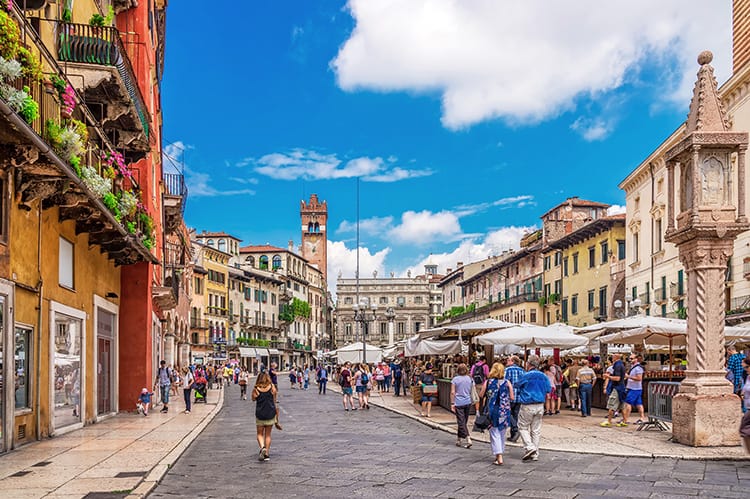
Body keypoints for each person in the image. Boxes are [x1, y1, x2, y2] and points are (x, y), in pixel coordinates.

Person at [514, 355, 551, 462]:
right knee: (536, 430)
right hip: (540, 405)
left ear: (529, 364)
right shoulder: (543, 376)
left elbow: (517, 385)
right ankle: (535, 454)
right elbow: (548, 389)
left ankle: (530, 447)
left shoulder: (526, 375)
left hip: (528, 404)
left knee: (523, 427)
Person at [486, 362, 514, 466]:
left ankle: (499, 456)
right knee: (502, 432)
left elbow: (481, 394)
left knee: (494, 433)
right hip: (504, 410)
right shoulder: (507, 382)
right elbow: (512, 397)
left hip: (493, 410)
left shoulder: (488, 382)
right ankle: (500, 453)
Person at [252, 372, 278, 462]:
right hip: (270, 412)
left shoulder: (256, 388)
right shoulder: (272, 387)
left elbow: (253, 398)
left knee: (259, 434)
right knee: (268, 434)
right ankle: (266, 454)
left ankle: (262, 447)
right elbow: (275, 399)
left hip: (260, 413)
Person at [450, 363, 474, 449]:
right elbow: (472, 390)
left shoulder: (455, 379)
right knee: (464, 422)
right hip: (468, 402)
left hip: (458, 402)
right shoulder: (470, 379)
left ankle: (468, 438)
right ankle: (459, 439)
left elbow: (453, 392)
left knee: (461, 422)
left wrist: (452, 403)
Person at [619, 354, 645, 427]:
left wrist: (628, 376)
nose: (630, 360)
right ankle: (642, 418)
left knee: (628, 403)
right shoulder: (633, 367)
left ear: (636, 359)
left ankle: (625, 419)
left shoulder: (638, 368)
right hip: (634, 388)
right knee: (638, 404)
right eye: (629, 359)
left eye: (632, 359)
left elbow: (639, 378)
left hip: (635, 388)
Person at [600, 354, 626, 427]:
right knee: (622, 405)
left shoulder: (617, 366)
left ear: (615, 358)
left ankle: (609, 421)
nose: (611, 358)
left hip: (617, 388)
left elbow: (617, 378)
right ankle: (624, 421)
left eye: (612, 356)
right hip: (622, 387)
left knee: (611, 404)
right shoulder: (621, 365)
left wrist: (608, 376)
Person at [504, 355, 524, 443]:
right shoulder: (522, 371)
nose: (507, 362)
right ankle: (513, 435)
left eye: (509, 360)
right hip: (519, 396)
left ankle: (515, 429)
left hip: (509, 395)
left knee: (508, 413)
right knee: (515, 414)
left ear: (513, 361)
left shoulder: (507, 370)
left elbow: (504, 382)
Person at [739, 356, 750, 452]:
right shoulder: (748, 377)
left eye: (746, 367)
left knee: (744, 430)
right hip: (748, 408)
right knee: (745, 431)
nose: (745, 369)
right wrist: (743, 393)